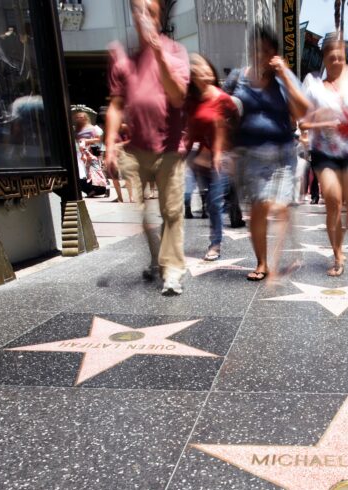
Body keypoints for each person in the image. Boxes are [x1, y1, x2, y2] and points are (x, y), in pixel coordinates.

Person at [104, 0, 189, 295]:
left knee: (172, 211)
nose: (144, 17)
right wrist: (109, 145)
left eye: (149, 12)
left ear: (159, 16)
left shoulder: (176, 52)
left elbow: (178, 97)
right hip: (137, 148)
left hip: (169, 146)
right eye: (138, 11)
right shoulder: (122, 58)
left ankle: (173, 270)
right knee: (144, 214)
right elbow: (115, 105)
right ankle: (158, 259)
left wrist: (159, 56)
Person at [224, 26, 309, 281]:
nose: (260, 55)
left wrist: (284, 73)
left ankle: (283, 252)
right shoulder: (238, 78)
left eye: (266, 50)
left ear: (274, 53)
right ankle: (262, 263)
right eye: (256, 50)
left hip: (282, 153)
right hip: (249, 153)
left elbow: (303, 111)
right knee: (260, 207)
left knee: (279, 205)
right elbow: (221, 109)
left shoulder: (284, 78)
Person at [302, 33, 348, 276]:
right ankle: (338, 255)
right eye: (331, 57)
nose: (336, 62)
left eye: (340, 58)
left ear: (346, 57)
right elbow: (302, 124)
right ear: (324, 58)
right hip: (325, 153)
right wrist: (323, 124)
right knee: (332, 200)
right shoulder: (313, 87)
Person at [185, 54, 235, 261]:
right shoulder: (192, 101)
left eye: (206, 70)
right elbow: (190, 131)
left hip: (220, 158)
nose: (203, 75)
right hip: (197, 159)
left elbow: (233, 126)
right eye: (197, 72)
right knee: (189, 197)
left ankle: (215, 243)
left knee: (214, 202)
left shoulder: (223, 99)